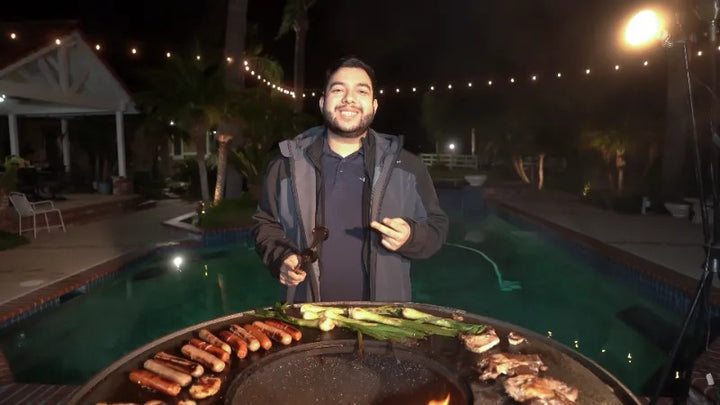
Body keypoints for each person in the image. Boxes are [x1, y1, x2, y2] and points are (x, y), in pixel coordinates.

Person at [252, 56, 448, 303]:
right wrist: (280, 257)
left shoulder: (407, 167)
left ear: (374, 105)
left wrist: (411, 236)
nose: (349, 98)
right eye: (338, 90)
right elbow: (264, 223)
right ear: (323, 102)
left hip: (383, 322)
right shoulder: (286, 164)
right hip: (308, 318)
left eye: (361, 91)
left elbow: (437, 226)